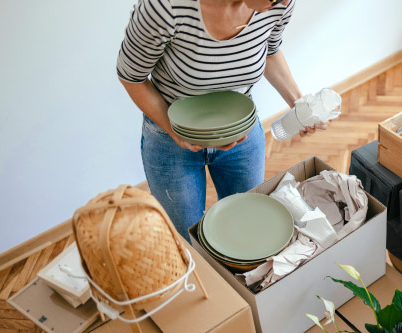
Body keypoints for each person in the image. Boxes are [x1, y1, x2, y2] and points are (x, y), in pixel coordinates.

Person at [117, 0, 324, 240]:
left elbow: (269, 51)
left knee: (246, 226)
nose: (285, 1)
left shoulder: (279, 4)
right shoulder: (165, 7)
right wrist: (176, 133)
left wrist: (299, 103)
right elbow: (131, 76)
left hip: (241, 135)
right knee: (187, 239)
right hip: (170, 141)